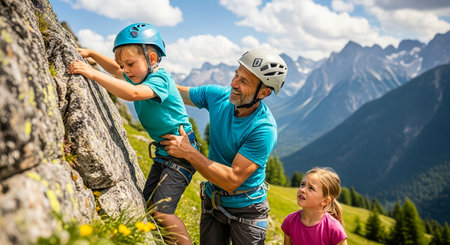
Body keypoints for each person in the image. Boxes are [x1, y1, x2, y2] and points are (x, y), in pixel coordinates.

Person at [67, 23, 197, 245]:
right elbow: (117, 71)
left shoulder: (160, 79)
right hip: (166, 152)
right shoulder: (140, 73)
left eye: (130, 64)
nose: (126, 70)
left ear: (153, 59)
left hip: (182, 153)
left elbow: (134, 94)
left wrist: (92, 73)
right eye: (123, 65)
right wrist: (93, 55)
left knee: (162, 211)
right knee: (149, 205)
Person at [160, 48, 288, 244]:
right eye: (237, 74)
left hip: (247, 212)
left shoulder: (263, 129)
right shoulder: (219, 96)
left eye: (244, 81)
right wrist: (132, 72)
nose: (234, 84)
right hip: (214, 202)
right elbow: (169, 91)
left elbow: (232, 179)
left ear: (263, 92)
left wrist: (188, 151)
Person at [281, 167, 348, 245]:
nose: (302, 190)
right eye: (302, 184)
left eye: (311, 188)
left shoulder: (334, 229)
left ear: (325, 201)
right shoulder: (290, 221)